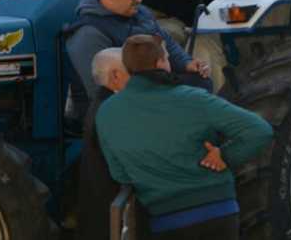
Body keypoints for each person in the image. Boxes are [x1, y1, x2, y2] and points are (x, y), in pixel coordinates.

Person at [96, 35, 273, 239]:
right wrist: (225, 156)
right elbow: (260, 130)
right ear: (161, 63)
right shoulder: (194, 98)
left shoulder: (107, 113)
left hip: (166, 220)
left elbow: (120, 174)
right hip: (218, 211)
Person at [65, 0, 211, 102]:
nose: (140, 0)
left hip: (150, 84)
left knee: (200, 81)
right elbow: (101, 89)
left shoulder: (139, 13)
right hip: (123, 101)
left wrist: (187, 63)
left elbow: (164, 40)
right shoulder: (89, 34)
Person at [75, 48, 130, 240]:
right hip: (107, 208)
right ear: (116, 75)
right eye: (131, 71)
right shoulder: (112, 110)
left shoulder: (101, 103)